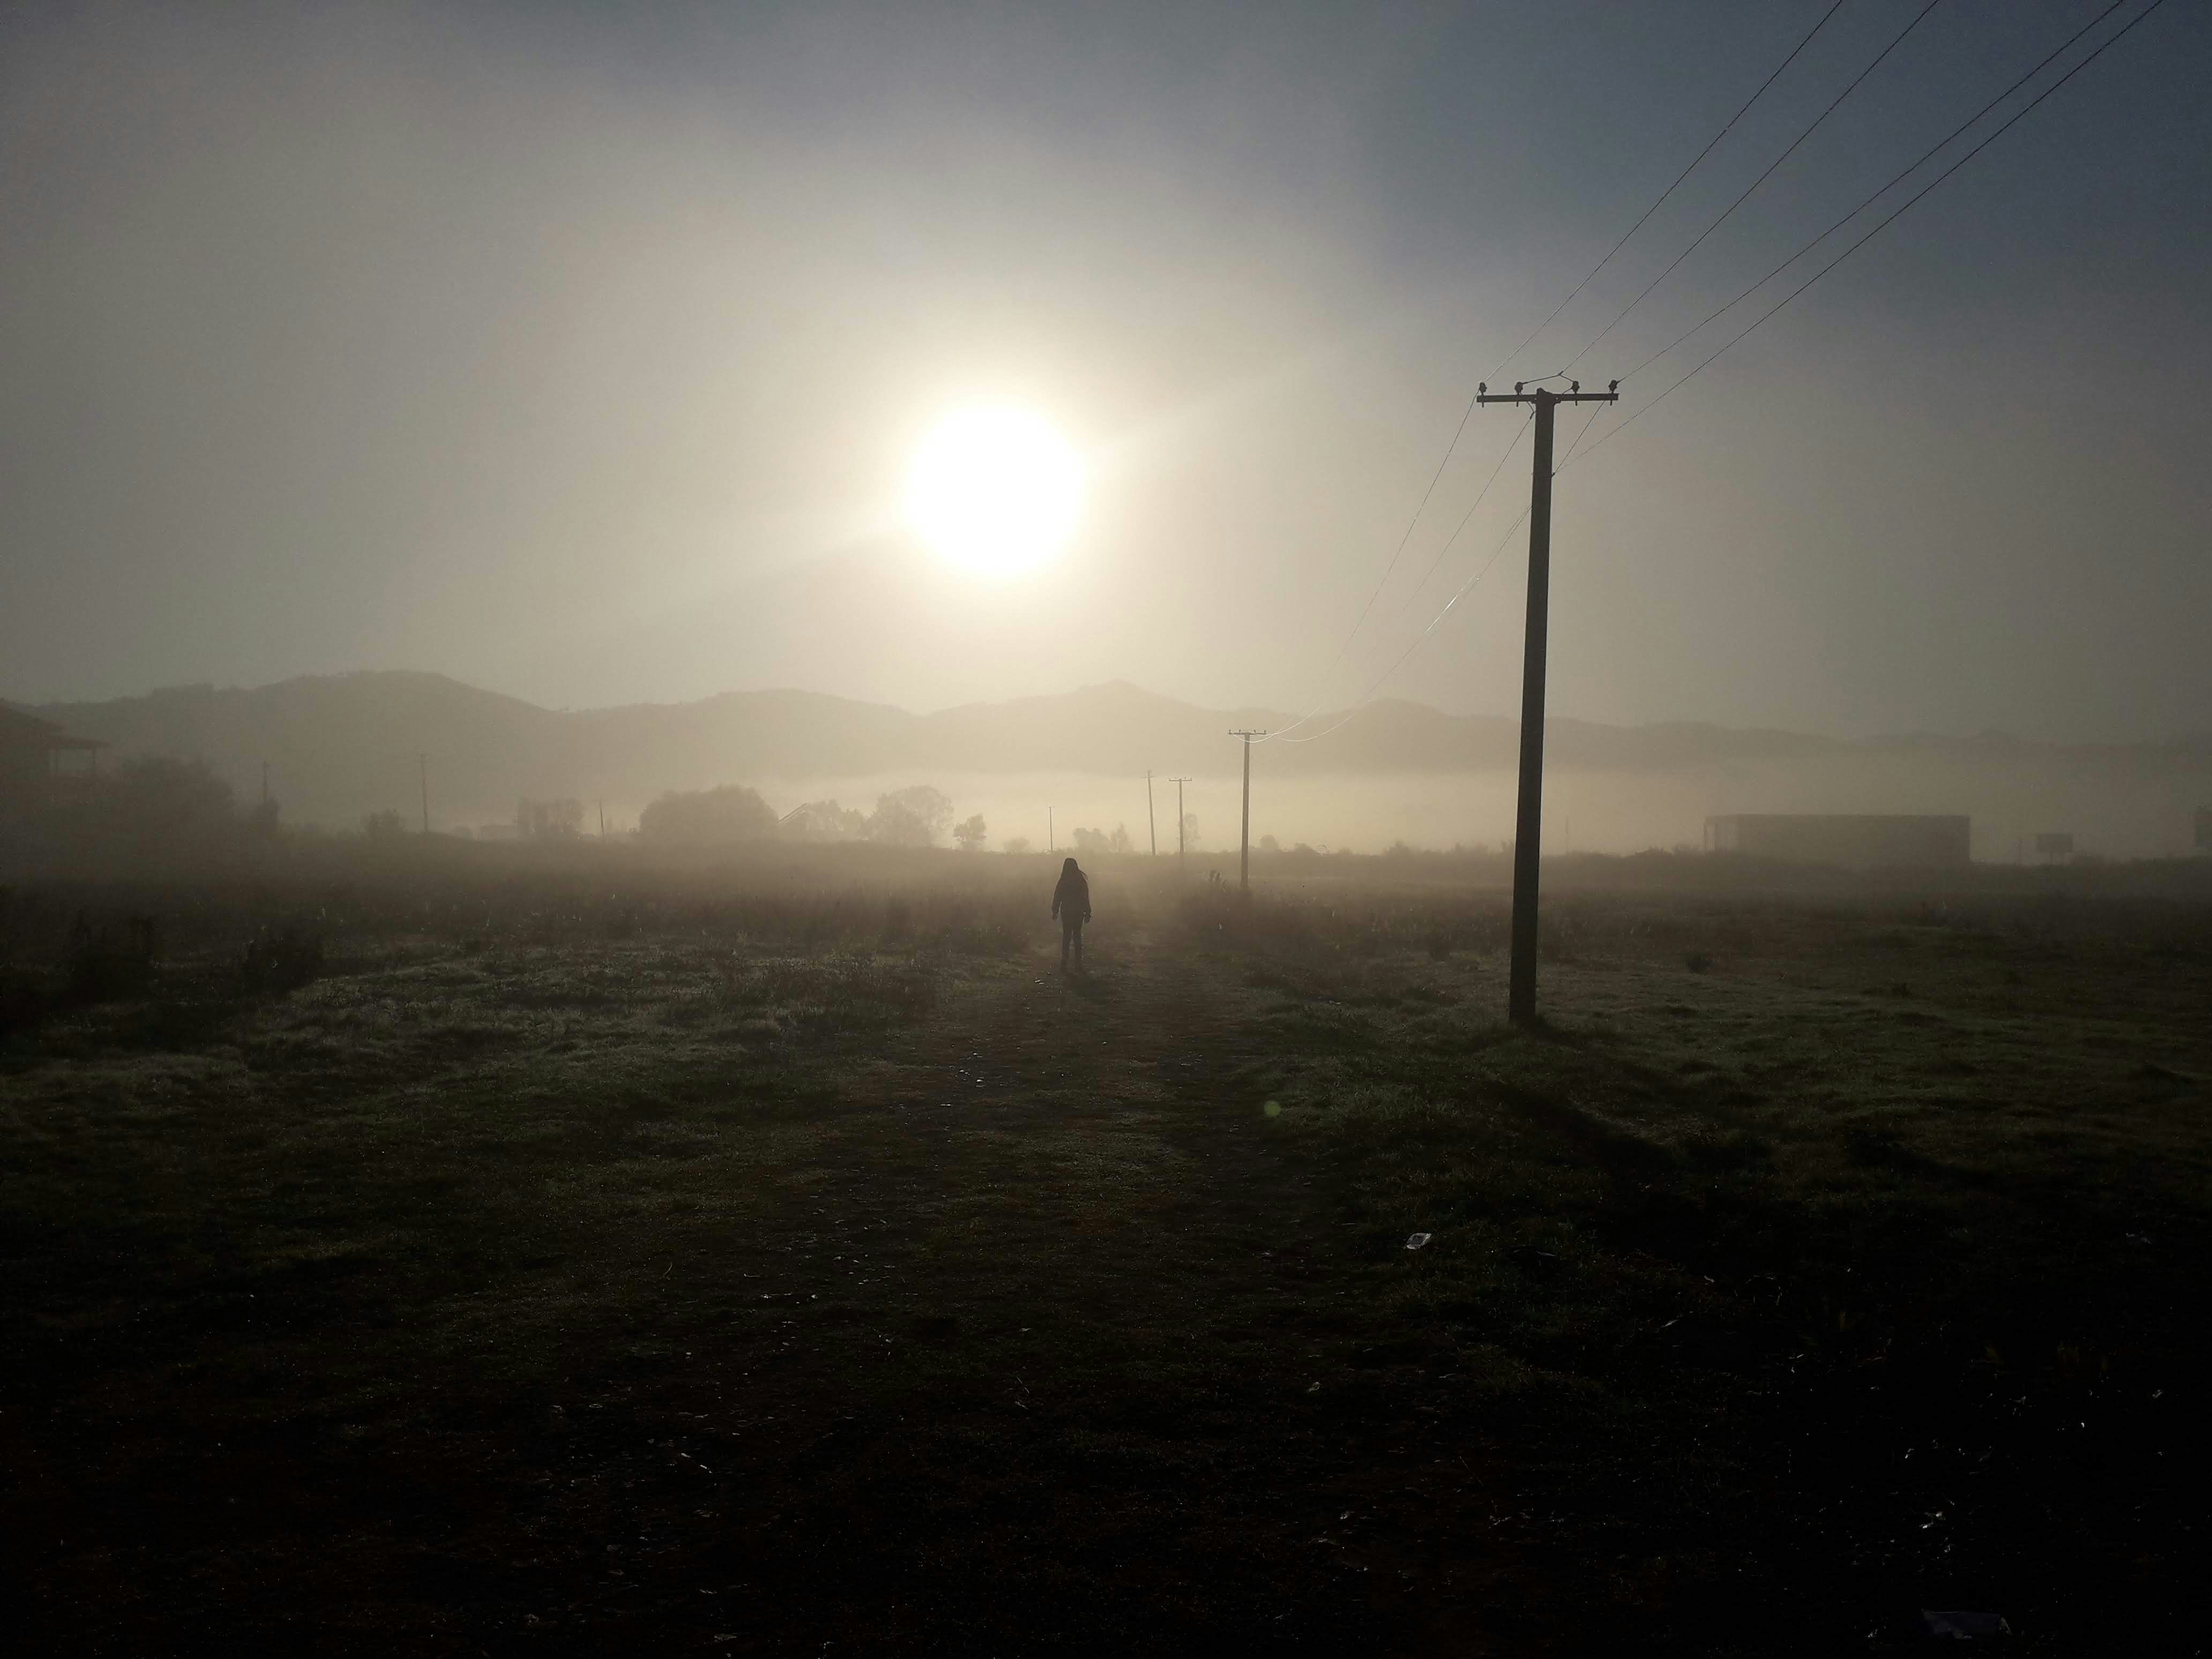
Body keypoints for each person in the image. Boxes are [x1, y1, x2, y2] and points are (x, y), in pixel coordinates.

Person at [1051, 856, 1092, 973]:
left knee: (1067, 936)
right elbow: (1085, 898)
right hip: (1079, 912)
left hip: (1067, 912)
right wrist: (1088, 912)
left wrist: (1055, 911)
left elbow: (1057, 896)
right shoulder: (1081, 881)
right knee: (1077, 936)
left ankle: (1064, 962)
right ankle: (1078, 963)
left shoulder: (1063, 880)